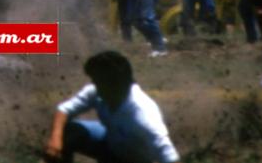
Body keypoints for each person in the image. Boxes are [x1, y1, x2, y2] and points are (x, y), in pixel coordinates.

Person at [43, 50, 179, 163]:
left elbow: (169, 155)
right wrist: (55, 140)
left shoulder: (142, 114)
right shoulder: (98, 91)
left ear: (113, 83)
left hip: (135, 159)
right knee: (69, 130)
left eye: (98, 81)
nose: (94, 85)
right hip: (111, 143)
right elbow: (64, 110)